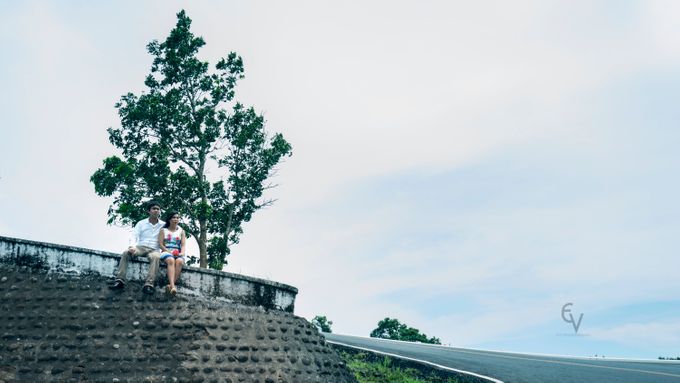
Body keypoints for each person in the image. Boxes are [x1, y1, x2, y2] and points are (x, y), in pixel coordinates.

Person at [109, 201, 165, 294]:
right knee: (126, 253)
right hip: (140, 247)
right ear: (149, 211)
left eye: (158, 209)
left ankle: (149, 284)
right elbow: (134, 236)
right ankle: (119, 280)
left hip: (154, 249)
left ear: (160, 211)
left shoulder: (163, 225)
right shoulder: (141, 223)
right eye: (154, 209)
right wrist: (132, 246)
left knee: (156, 257)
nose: (156, 210)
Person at [158, 211, 186, 295]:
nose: (176, 219)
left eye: (177, 218)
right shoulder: (163, 230)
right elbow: (160, 244)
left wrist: (182, 253)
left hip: (177, 252)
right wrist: (168, 251)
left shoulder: (181, 231)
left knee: (180, 261)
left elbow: (183, 244)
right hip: (166, 251)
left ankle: (170, 285)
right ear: (169, 219)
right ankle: (173, 286)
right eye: (174, 217)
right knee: (170, 260)